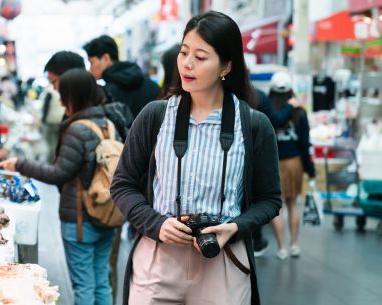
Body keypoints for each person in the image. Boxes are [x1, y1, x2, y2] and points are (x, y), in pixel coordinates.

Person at [111, 11, 281, 305]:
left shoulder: (253, 125)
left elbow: (270, 199)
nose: (187, 64)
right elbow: (122, 184)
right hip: (158, 260)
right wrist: (156, 223)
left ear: (226, 66)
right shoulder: (155, 116)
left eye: (200, 57)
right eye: (184, 52)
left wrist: (235, 227)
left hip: (223, 260)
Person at [0, 69, 118, 305]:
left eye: (63, 95)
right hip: (106, 213)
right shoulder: (108, 124)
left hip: (80, 219)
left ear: (75, 95)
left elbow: (59, 173)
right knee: (101, 280)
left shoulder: (77, 129)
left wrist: (21, 164)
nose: (61, 101)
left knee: (84, 285)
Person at [267, 71, 316, 260]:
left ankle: (281, 248)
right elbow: (305, 143)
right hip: (295, 162)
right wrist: (310, 171)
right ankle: (294, 244)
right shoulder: (299, 112)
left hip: (273, 163)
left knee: (277, 208)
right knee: (293, 204)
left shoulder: (268, 110)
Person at [83, 35, 160, 118]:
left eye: (91, 62)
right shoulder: (149, 83)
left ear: (106, 58)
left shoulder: (107, 93)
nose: (90, 69)